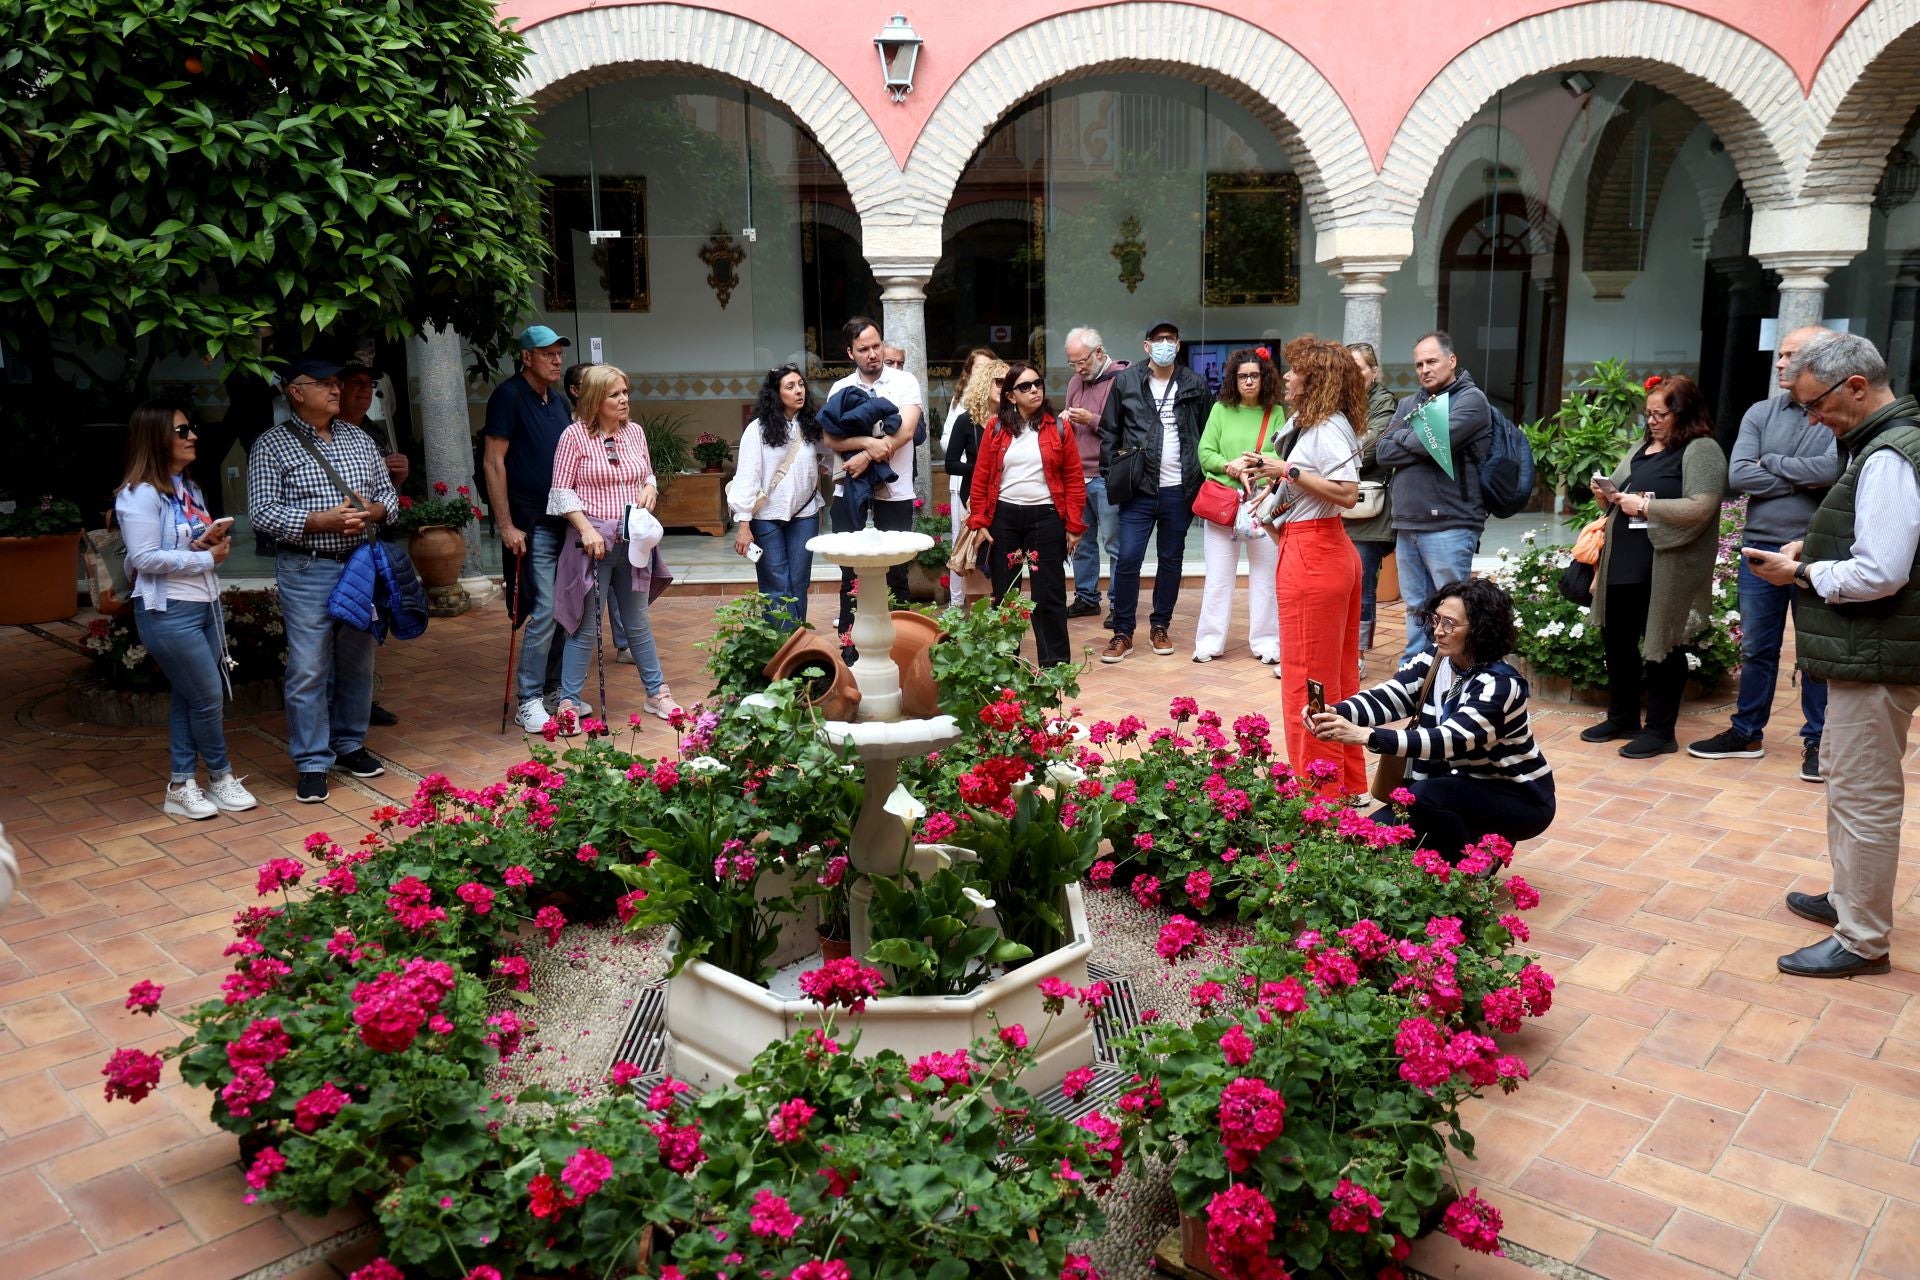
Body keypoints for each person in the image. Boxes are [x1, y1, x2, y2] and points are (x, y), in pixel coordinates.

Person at [1745, 332, 1920, 978]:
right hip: (1866, 651)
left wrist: (1802, 574)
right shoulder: (1878, 446)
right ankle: (1849, 898)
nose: (1813, 419)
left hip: (1876, 653)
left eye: (1816, 405)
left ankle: (1864, 937)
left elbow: (1881, 571)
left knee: (1865, 794)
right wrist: (1808, 549)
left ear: (1855, 387)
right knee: (1848, 785)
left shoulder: (1889, 457)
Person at [1310, 578, 1555, 861]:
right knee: (1369, 835)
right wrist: (1336, 712)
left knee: (1425, 798)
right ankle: (1463, 845)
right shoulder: (1436, 660)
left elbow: (1449, 740)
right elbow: (1391, 695)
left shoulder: (1501, 685)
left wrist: (1369, 736)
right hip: (1449, 786)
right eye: (1436, 619)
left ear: (1480, 629)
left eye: (1450, 624)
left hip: (1517, 797)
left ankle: (1464, 872)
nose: (1438, 631)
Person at [1687, 326, 1836, 782]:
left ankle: (1819, 742)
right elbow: (1740, 474)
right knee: (1756, 650)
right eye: (1780, 353)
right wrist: (1798, 475)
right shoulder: (1760, 411)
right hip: (1759, 546)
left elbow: (1834, 468)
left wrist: (1771, 462)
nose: (1779, 362)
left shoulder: (1833, 413)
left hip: (1817, 550)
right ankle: (1746, 733)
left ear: (1817, 360)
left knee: (1816, 652)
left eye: (1790, 354)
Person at [247, 356, 397, 804]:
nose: (337, 390)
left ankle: (349, 744)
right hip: (306, 566)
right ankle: (312, 762)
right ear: (296, 391)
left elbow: (388, 493)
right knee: (309, 666)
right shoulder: (272, 445)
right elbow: (261, 511)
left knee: (357, 659)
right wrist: (319, 521)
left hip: (358, 563)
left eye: (338, 383)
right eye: (325, 384)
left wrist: (374, 511)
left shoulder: (359, 438)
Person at [117, 402, 257, 819]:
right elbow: (142, 558)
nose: (192, 436)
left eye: (191, 429)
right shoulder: (137, 494)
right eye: (181, 431)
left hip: (202, 604)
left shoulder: (187, 488)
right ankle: (220, 776)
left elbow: (174, 546)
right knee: (209, 696)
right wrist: (203, 560)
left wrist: (208, 544)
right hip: (167, 611)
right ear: (156, 438)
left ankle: (180, 786)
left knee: (189, 696)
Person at [1580, 374, 1728, 758]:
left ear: (1685, 412)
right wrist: (1606, 495)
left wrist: (1645, 506)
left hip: (1666, 563)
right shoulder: (1642, 446)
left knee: (1664, 645)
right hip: (1625, 558)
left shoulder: (1701, 449)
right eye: (1648, 414)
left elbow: (1702, 506)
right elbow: (1618, 503)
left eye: (1660, 414)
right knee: (1618, 641)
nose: (1652, 422)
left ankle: (1661, 731)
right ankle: (1623, 717)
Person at [1251, 336, 1365, 794]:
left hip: (1316, 557)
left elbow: (1347, 493)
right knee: (1335, 677)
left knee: (1307, 679)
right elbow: (1298, 497)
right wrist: (1272, 495)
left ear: (1315, 379)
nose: (1288, 378)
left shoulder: (1328, 426)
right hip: (1316, 550)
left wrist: (1286, 472)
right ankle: (1345, 784)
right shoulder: (1312, 425)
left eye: (1296, 371)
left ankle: (1317, 793)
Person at [546, 365, 680, 729]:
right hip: (593, 545)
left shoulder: (634, 433)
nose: (624, 400)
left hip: (633, 541)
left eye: (625, 393)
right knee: (585, 627)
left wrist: (650, 487)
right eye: (615, 394)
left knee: (637, 622)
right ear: (594, 399)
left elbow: (646, 473)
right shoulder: (573, 437)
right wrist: (586, 529)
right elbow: (560, 493)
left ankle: (657, 693)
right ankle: (570, 702)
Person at [1374, 332, 1493, 664]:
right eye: (1419, 364)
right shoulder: (1409, 404)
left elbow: (1434, 442)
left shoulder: (1470, 400)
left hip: (1451, 523)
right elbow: (1383, 452)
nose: (1424, 369)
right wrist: (1419, 440)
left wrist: (1408, 438)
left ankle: (1456, 673)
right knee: (1416, 606)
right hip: (1409, 521)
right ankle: (1417, 673)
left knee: (1453, 608)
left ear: (1451, 361)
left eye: (1431, 361)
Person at [1097, 320, 1207, 662]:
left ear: (1178, 344)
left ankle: (1160, 626)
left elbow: (1205, 432)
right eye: (1157, 340)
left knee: (1171, 561)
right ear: (1146, 346)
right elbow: (1109, 432)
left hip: (1179, 488)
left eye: (1170, 339)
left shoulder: (1194, 383)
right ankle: (1123, 632)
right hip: (1139, 489)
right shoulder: (1126, 381)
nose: (1164, 345)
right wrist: (1112, 474)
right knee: (1128, 558)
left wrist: (1198, 478)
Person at [483, 326, 576, 733]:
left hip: (563, 519)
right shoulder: (508, 396)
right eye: (547, 353)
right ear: (526, 357)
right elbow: (493, 463)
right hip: (531, 521)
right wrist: (504, 524)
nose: (557, 360)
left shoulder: (556, 400)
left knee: (564, 606)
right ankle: (529, 698)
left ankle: (555, 691)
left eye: (559, 353)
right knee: (544, 610)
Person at [964, 360, 1085, 666]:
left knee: (1050, 593)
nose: (1034, 390)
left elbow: (1073, 477)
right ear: (1010, 396)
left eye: (1038, 384)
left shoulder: (1059, 427)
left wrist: (1073, 525)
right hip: (1005, 519)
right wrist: (979, 522)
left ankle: (1055, 664)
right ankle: (1005, 662)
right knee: (1006, 594)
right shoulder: (995, 429)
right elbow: (980, 478)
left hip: (1045, 518)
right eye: (1025, 387)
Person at [826, 317, 923, 626]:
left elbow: (906, 431)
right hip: (848, 490)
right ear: (850, 353)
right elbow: (830, 437)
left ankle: (900, 646)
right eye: (863, 348)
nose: (872, 353)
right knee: (849, 574)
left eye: (876, 345)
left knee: (896, 574)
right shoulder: (840, 388)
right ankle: (850, 646)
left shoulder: (904, 382)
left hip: (894, 493)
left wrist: (864, 455)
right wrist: (870, 442)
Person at [1192, 346, 1283, 665]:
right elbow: (1205, 453)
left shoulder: (1275, 412)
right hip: (1224, 504)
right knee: (1218, 577)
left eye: (1254, 376)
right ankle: (1209, 641)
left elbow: (1282, 457)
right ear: (1233, 378)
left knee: (1266, 577)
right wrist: (1229, 465)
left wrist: (1254, 463)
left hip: (1262, 504)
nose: (1248, 381)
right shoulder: (1220, 410)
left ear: (1264, 378)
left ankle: (1267, 642)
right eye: (1242, 376)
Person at [338, 359, 408, 727]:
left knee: (366, 628)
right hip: (330, 547)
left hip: (368, 545)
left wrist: (398, 479)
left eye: (369, 385)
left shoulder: (372, 433)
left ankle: (362, 703)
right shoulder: (324, 435)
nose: (365, 392)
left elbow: (384, 496)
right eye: (357, 385)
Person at [728, 364, 825, 625]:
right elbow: (747, 477)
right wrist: (743, 524)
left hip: (805, 514)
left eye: (801, 385)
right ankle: (783, 650)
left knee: (799, 581)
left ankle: (797, 644)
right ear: (776, 393)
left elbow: (829, 453)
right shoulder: (757, 430)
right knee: (776, 583)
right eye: (790, 386)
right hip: (766, 517)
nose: (798, 391)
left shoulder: (811, 425)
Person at [1062, 327, 1127, 623]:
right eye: (1073, 363)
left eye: (1083, 361)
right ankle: (1087, 598)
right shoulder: (1076, 381)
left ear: (1099, 352)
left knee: (1114, 543)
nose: (1079, 369)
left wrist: (1091, 421)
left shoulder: (1123, 379)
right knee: (1080, 541)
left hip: (1107, 474)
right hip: (1077, 476)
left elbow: (1127, 430)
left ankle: (1118, 604)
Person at [1346, 342, 1400, 667]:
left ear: (1374, 372)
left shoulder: (1384, 402)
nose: (1353, 376)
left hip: (1367, 509)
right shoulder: (1335, 400)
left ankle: (1357, 654)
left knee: (1362, 581)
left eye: (1360, 368)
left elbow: (1370, 450)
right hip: (1335, 502)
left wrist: (1328, 459)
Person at [942, 359, 1009, 603]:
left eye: (1008, 382)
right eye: (999, 381)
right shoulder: (966, 421)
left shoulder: (1014, 420)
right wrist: (983, 469)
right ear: (984, 384)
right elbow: (950, 464)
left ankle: (1001, 609)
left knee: (1002, 554)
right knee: (972, 554)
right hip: (973, 496)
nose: (1004, 387)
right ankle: (964, 609)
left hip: (1007, 496)